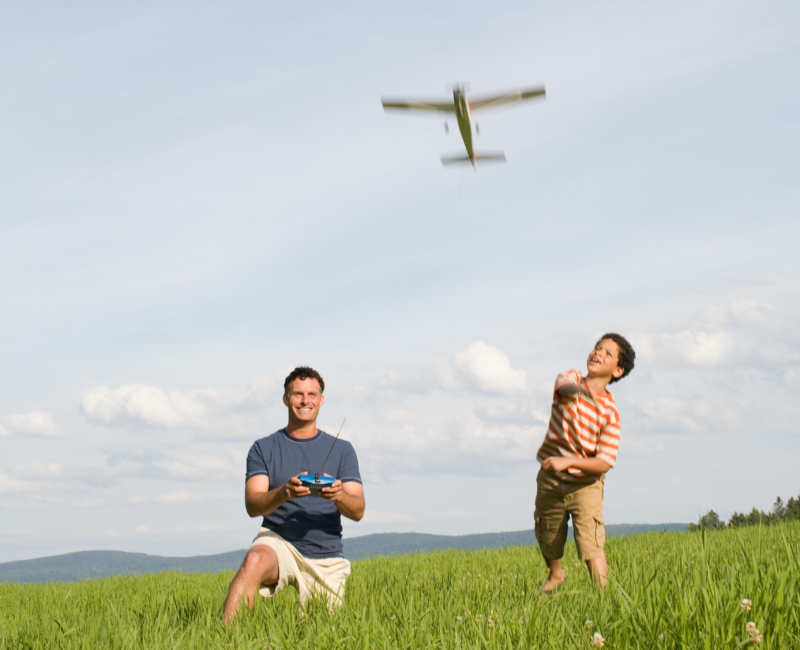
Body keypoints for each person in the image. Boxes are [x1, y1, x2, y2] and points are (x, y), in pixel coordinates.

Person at [223, 366, 365, 623]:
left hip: (325, 552)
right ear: (286, 398)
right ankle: (225, 639)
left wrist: (338, 495)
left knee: (323, 631)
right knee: (254, 559)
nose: (305, 400)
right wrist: (284, 493)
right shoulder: (262, 448)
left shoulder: (343, 450)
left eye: (312, 394)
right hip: (278, 541)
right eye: (298, 394)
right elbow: (253, 506)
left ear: (321, 400)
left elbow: (358, 511)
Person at [534, 333, 635, 592]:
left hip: (585, 484)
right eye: (597, 348)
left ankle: (603, 598)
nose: (598, 353)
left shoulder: (610, 413)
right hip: (551, 478)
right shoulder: (571, 378)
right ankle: (556, 574)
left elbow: (603, 462)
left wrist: (568, 462)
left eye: (608, 353)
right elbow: (565, 391)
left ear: (618, 370)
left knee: (590, 544)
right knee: (548, 533)